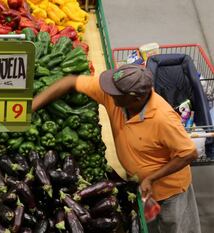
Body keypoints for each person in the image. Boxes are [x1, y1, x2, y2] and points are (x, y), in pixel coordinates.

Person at [32, 64, 201, 233]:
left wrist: (152, 177)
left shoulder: (163, 118)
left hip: (170, 192)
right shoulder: (118, 98)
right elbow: (70, 81)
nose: (108, 93)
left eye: (115, 92)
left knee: (174, 228)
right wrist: (30, 107)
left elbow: (189, 153)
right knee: (148, 226)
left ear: (134, 97)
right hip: (141, 187)